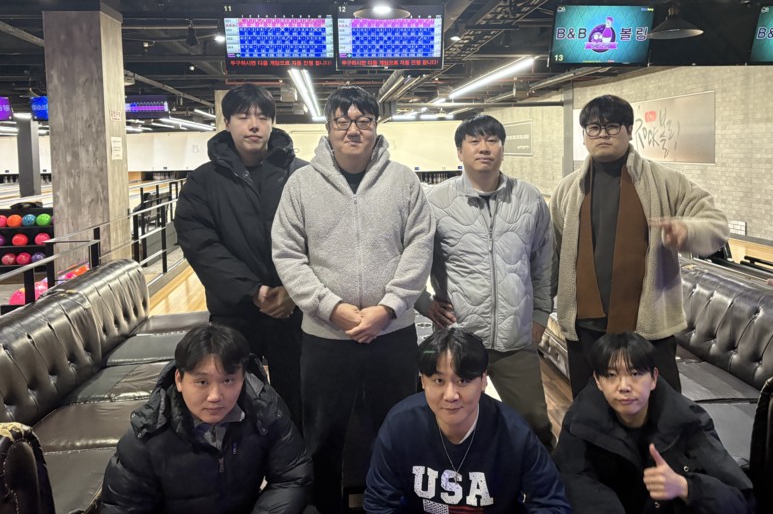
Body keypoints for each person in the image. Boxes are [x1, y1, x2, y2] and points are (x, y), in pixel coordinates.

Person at [271, 85, 435, 511]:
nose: (353, 130)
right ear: (328, 128)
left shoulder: (404, 180)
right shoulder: (301, 185)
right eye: (343, 121)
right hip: (326, 337)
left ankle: (394, 505)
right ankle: (326, 506)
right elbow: (288, 255)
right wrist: (332, 308)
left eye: (363, 121)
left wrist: (389, 308)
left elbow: (420, 247)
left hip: (392, 334)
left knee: (396, 429)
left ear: (376, 127)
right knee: (323, 436)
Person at [549, 94, 729, 396]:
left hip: (649, 328)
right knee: (589, 410)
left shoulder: (666, 182)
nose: (603, 134)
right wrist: (540, 307)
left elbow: (716, 225)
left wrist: (687, 230)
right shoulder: (567, 190)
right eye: (594, 128)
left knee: (662, 411)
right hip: (585, 329)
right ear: (584, 136)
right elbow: (553, 254)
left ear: (630, 131)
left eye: (612, 126)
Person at [417, 114, 555, 450]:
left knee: (534, 423)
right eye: (474, 141)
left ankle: (539, 481)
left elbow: (543, 263)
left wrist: (540, 315)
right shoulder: (435, 202)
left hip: (515, 338)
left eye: (492, 140)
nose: (484, 148)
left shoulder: (529, 199)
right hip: (459, 337)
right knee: (452, 422)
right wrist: (424, 303)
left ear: (502, 149)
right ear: (459, 152)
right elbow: (410, 260)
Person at [175, 83, 307, 427]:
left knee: (298, 400)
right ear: (227, 122)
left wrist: (293, 291)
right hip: (234, 312)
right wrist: (253, 290)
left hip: (295, 309)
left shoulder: (302, 174)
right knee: (235, 404)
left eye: (262, 117)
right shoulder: (202, 182)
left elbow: (321, 239)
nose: (254, 124)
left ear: (272, 123)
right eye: (243, 116)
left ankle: (297, 457)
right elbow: (202, 246)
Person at [100, 324, 313, 513]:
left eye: (228, 381)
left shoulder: (264, 409)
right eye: (202, 382)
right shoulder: (148, 433)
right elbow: (121, 507)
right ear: (179, 380)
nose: (215, 396)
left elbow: (292, 476)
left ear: (243, 378)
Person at [364, 327, 571, 513]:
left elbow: (551, 503)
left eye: (463, 380)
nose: (450, 395)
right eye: (439, 380)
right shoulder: (400, 425)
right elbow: (379, 503)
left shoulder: (514, 432)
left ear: (483, 380)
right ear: (423, 381)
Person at [553, 332, 754, 514]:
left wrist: (686, 487)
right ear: (598, 381)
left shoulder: (687, 420)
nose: (624, 386)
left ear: (653, 378)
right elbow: (574, 484)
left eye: (635, 374)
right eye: (612, 375)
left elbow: (741, 501)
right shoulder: (580, 422)